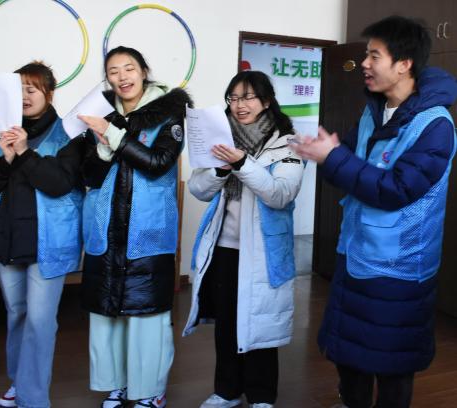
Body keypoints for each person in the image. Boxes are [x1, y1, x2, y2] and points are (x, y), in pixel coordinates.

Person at [291, 16, 457, 408]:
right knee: (350, 354)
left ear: (404, 64)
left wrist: (334, 158)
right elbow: (347, 163)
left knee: (392, 362)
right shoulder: (373, 111)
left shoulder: (436, 125)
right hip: (356, 251)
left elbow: (397, 190)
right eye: (365, 55)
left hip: (399, 267)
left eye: (374, 55)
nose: (364, 64)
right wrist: (327, 155)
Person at [182, 71, 304, 408]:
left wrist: (241, 163)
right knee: (226, 323)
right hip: (224, 247)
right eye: (233, 98)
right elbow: (198, 189)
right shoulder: (219, 139)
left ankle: (262, 395)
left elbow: (280, 194)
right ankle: (227, 391)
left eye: (248, 97)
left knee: (260, 322)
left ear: (266, 101)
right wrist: (222, 169)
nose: (239, 105)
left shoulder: (287, 144)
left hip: (263, 251)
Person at [79, 46, 192, 408]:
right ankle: (117, 384)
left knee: (147, 317)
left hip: (147, 231)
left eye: (129, 68)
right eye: (113, 71)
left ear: (144, 71)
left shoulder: (170, 113)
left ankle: (151, 390)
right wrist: (101, 147)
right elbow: (89, 175)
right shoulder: (101, 113)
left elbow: (158, 162)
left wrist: (112, 136)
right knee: (107, 315)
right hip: (106, 228)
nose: (122, 77)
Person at [0, 61, 86, 408]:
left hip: (48, 242)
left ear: (49, 93)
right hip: (8, 239)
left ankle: (33, 398)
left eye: (31, 89)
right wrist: (6, 158)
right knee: (17, 314)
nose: (24, 96)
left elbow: (59, 183)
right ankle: (19, 381)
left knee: (39, 320)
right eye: (18, 89)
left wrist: (23, 153)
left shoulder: (68, 134)